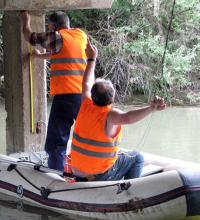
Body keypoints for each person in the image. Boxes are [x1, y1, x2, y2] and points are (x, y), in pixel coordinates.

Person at [69, 40, 166, 181]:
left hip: (76, 171)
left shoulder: (86, 104)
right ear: (113, 96)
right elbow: (128, 118)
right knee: (137, 158)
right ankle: (127, 192)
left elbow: (86, 83)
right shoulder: (109, 115)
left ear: (93, 94)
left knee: (120, 154)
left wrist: (91, 59)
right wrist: (152, 108)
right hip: (98, 176)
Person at [21, 11, 88, 171]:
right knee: (87, 136)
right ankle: (90, 173)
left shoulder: (58, 37)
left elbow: (30, 37)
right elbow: (63, 53)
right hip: (84, 97)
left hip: (66, 96)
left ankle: (56, 178)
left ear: (52, 26)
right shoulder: (80, 35)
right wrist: (40, 57)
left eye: (49, 26)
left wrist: (26, 22)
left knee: (55, 145)